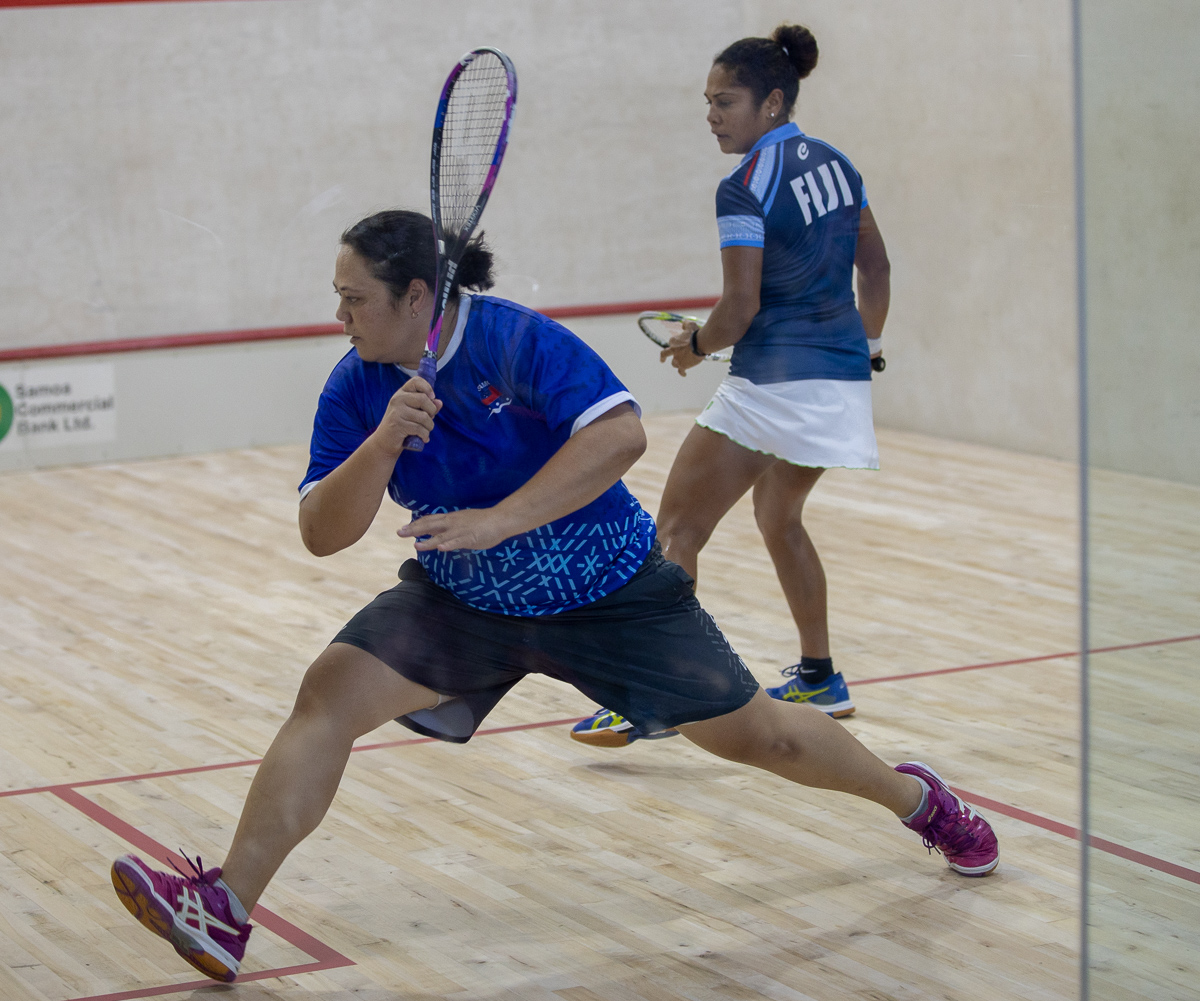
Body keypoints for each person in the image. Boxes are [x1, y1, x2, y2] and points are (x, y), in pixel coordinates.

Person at [109, 209, 995, 984]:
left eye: (353, 298)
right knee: (330, 691)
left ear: (417, 296)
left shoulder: (511, 338)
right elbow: (320, 531)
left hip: (608, 595)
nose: (338, 314)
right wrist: (381, 446)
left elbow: (621, 435)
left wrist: (502, 518)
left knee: (759, 735)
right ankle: (224, 907)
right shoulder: (359, 383)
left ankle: (917, 801)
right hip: (464, 605)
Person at [571, 23, 890, 748]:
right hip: (839, 385)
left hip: (774, 387)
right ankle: (820, 675)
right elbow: (877, 271)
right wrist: (863, 345)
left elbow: (738, 308)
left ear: (772, 102)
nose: (712, 115)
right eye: (708, 101)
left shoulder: (743, 186)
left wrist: (694, 345)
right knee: (780, 518)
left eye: (727, 101)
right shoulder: (840, 167)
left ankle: (650, 695)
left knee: (678, 528)